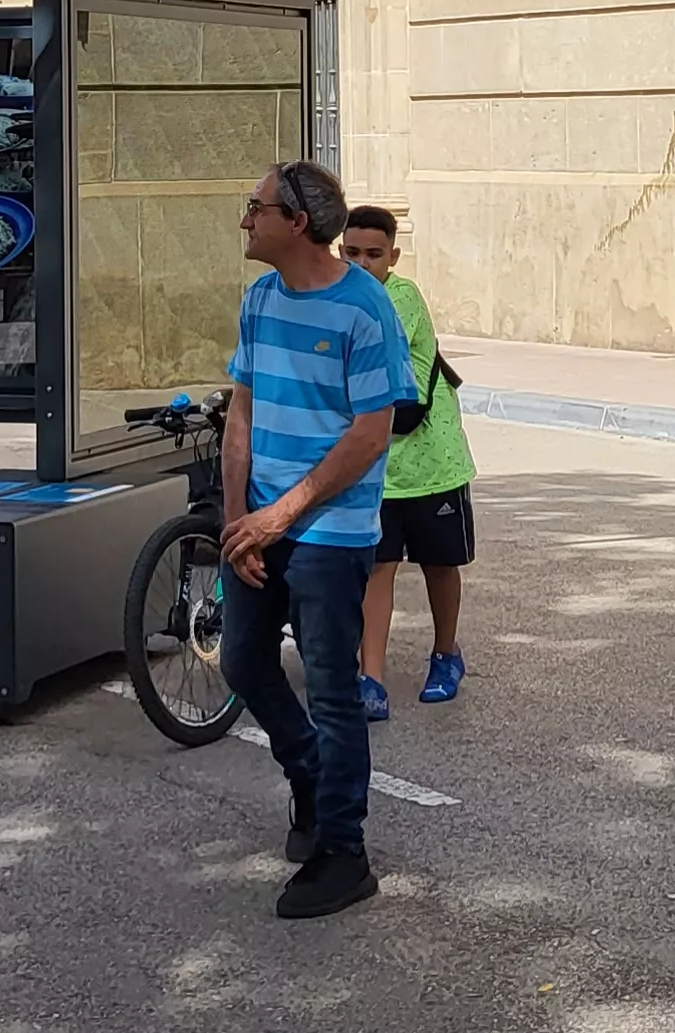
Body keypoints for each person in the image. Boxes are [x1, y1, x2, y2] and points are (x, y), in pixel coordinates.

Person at [218, 159, 413, 919]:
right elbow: (242, 410)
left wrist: (284, 514)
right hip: (260, 521)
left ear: (295, 223)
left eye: (254, 207)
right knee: (242, 662)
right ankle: (309, 774)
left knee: (333, 691)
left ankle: (344, 852)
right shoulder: (261, 299)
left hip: (331, 530)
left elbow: (370, 434)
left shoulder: (365, 311)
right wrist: (240, 521)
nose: (245, 220)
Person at [339, 205, 474, 718]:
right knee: (379, 568)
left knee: (440, 565)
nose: (362, 263)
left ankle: (446, 653)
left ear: (393, 256)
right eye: (351, 253)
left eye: (374, 254)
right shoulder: (346, 296)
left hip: (430, 460)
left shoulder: (400, 298)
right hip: (377, 470)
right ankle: (370, 677)